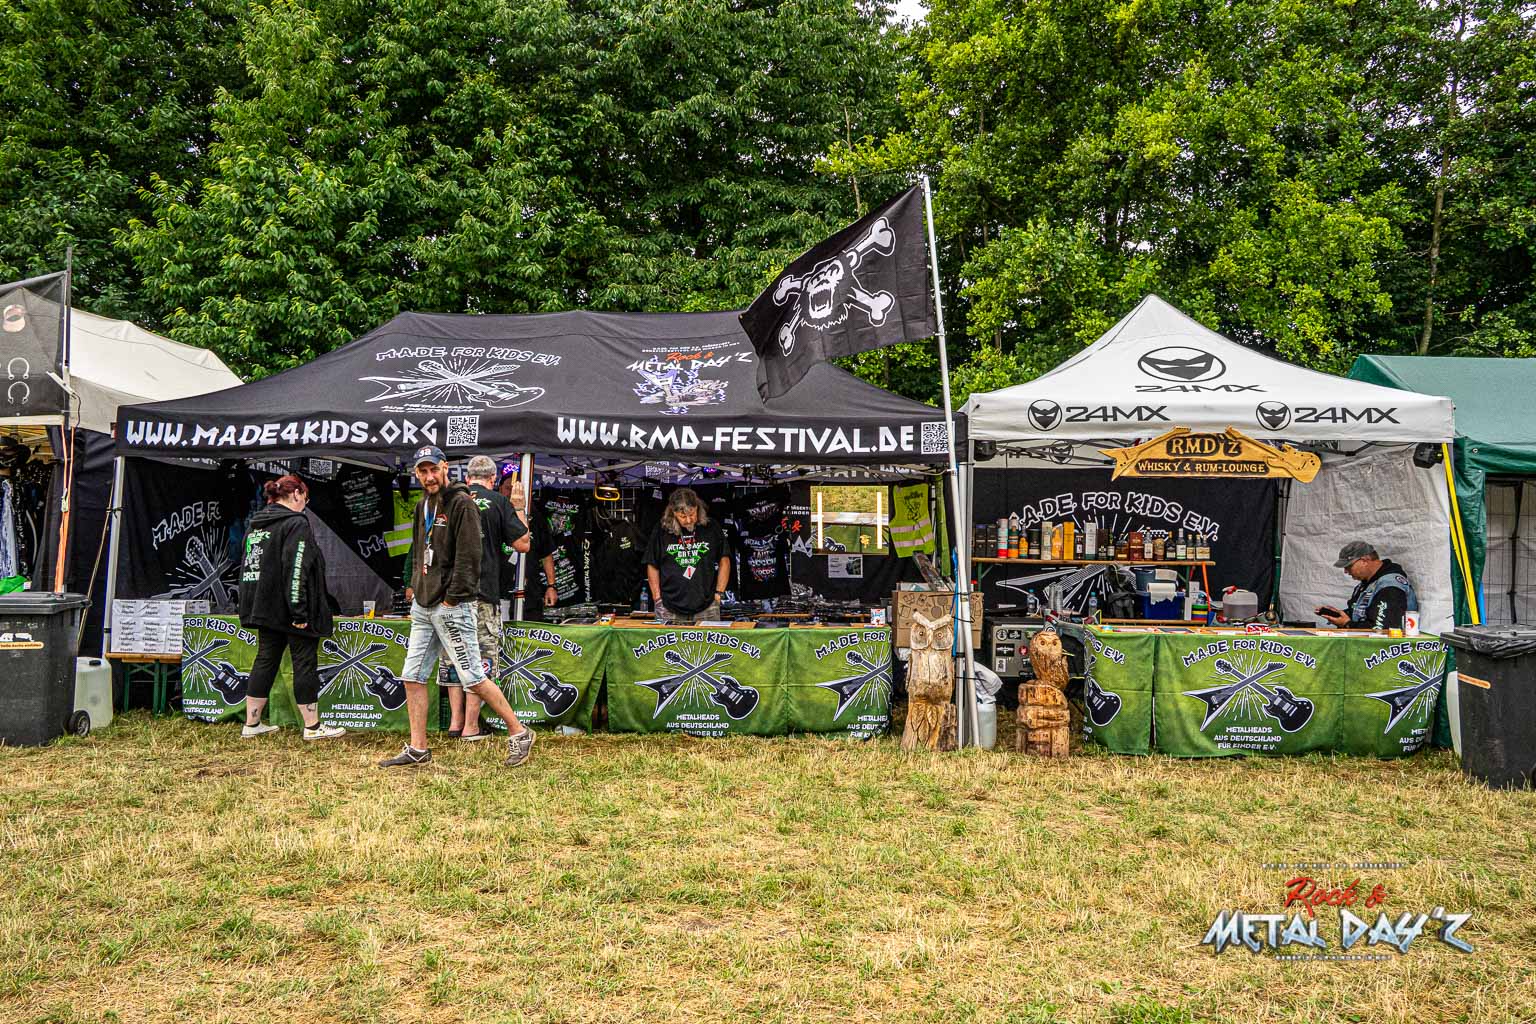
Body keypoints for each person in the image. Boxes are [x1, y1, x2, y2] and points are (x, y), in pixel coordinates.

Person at [379, 446, 535, 768]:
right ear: (416, 474)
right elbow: (419, 551)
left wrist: (452, 598)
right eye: (422, 471)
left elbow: (470, 557)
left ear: (445, 468)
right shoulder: (423, 505)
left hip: (453, 605)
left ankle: (519, 732)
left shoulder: (463, 503)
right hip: (425, 605)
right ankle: (418, 748)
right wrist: (417, 588)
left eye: (433, 469)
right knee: (412, 676)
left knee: (473, 677)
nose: (429, 476)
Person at [236, 475, 346, 741]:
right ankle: (312, 727)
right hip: (291, 609)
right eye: (305, 499)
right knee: (304, 662)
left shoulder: (256, 526)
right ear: (296, 493)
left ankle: (252, 723)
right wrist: (299, 611)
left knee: (265, 659)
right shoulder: (296, 523)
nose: (305, 504)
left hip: (263, 608)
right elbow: (296, 568)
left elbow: (248, 568)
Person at [451, 455, 532, 741]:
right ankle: (471, 726)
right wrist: (519, 507)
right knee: (480, 658)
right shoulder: (498, 502)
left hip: (449, 594)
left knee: (454, 657)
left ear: (467, 477)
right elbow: (523, 543)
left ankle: (455, 722)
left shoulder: (451, 500)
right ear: (493, 479)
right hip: (483, 591)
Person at [644, 487, 732, 624]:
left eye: (692, 514)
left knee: (709, 639)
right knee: (668, 640)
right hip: (669, 607)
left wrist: (719, 593)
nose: (689, 520)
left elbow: (724, 560)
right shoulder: (662, 530)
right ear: (673, 513)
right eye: (683, 517)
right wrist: (657, 598)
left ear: (698, 508)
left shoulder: (711, 527)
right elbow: (652, 564)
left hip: (707, 606)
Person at [1315, 541, 1418, 630]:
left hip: (1384, 646)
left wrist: (1347, 624)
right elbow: (1362, 614)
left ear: (1364, 561)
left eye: (1348, 566)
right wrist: (1339, 615)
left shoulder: (1390, 586)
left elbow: (1382, 630)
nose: (1346, 571)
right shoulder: (1368, 583)